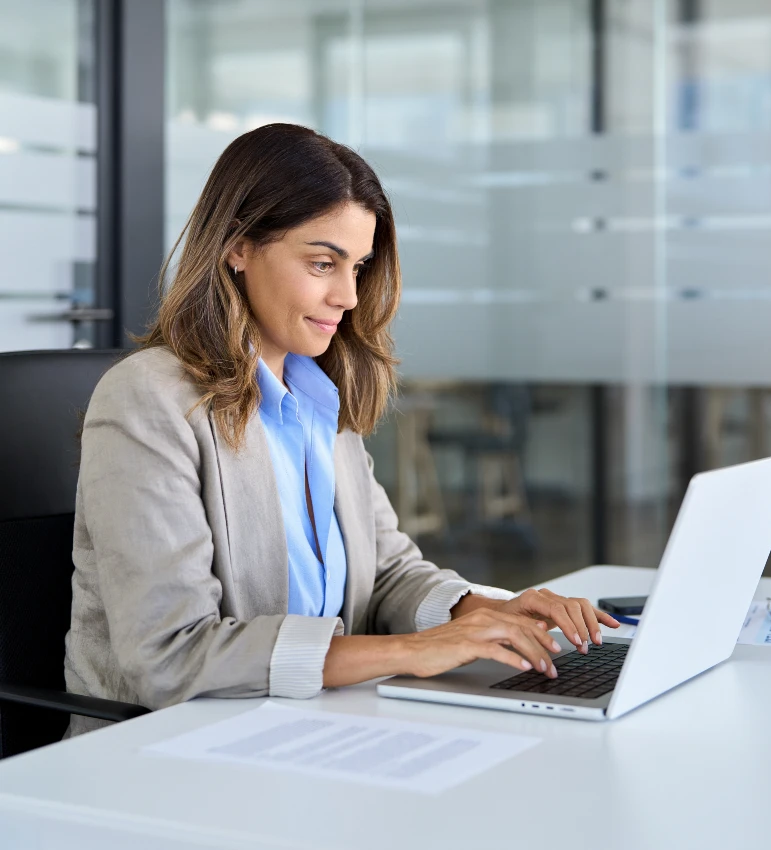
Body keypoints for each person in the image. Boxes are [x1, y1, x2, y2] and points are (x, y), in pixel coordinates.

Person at [65, 123, 619, 736]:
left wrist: (487, 611)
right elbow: (168, 654)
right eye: (323, 263)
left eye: (358, 266)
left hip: (309, 727)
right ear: (238, 247)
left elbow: (385, 574)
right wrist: (415, 652)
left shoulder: (317, 394)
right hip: (167, 750)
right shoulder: (150, 400)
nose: (349, 296)